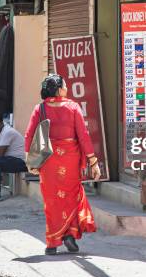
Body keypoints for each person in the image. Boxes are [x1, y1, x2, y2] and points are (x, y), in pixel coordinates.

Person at [24, 74, 101, 255]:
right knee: (71, 197)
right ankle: (70, 235)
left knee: (52, 202)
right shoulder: (73, 107)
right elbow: (83, 136)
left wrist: (29, 160)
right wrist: (93, 161)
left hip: (48, 161)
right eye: (65, 85)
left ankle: (52, 242)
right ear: (59, 89)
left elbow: (29, 135)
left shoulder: (40, 108)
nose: (67, 88)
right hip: (70, 160)